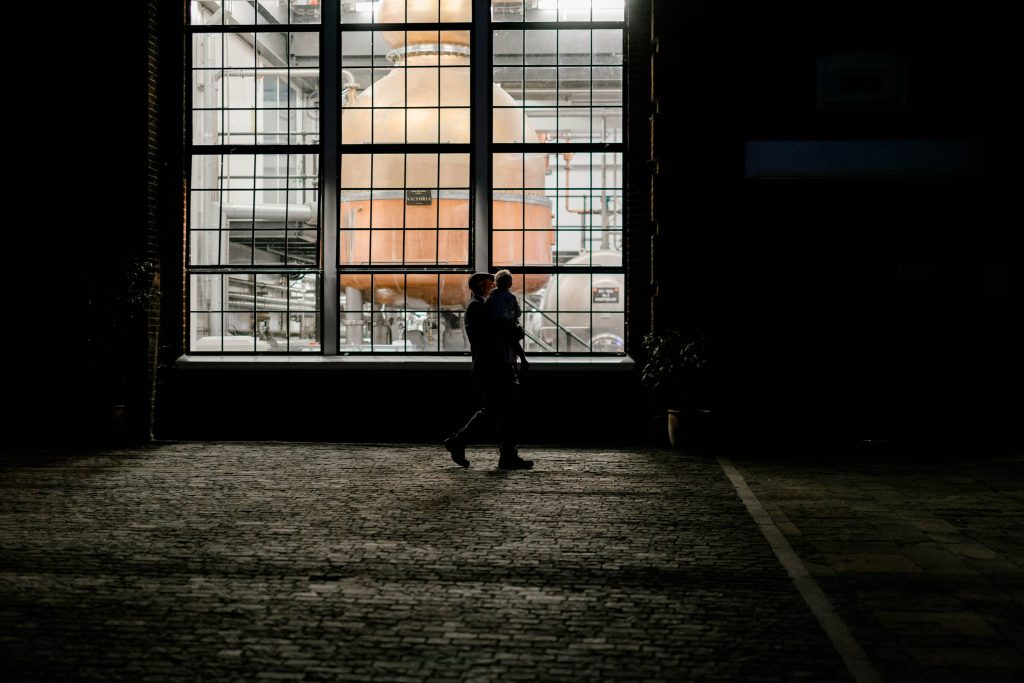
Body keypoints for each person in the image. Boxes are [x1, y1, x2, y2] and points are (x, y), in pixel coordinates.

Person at [444, 272, 534, 470]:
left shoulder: (480, 306)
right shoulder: (481, 307)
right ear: (480, 286)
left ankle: (464, 443)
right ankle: (503, 454)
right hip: (494, 366)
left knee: (497, 410)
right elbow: (498, 334)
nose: (493, 286)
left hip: (492, 366)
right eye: (489, 283)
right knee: (503, 410)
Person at [485, 269, 529, 373]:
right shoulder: (512, 297)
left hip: (496, 325)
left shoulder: (492, 294)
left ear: (496, 283)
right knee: (514, 342)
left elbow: (487, 308)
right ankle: (522, 358)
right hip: (509, 324)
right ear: (510, 284)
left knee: (498, 344)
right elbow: (518, 313)